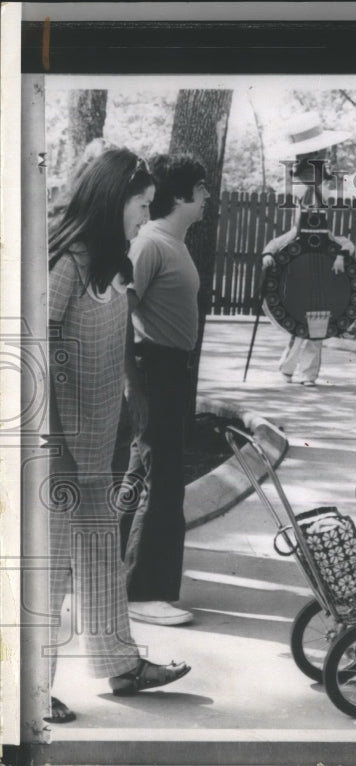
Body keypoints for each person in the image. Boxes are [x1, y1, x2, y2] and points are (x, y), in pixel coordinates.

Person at [47, 148, 191, 723]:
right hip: (54, 449)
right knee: (47, 566)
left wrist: (137, 396)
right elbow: (35, 350)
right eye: (140, 204)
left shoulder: (112, 261)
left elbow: (121, 335)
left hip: (94, 441)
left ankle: (120, 664)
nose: (145, 215)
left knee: (102, 555)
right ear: (114, 200)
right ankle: (25, 688)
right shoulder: (64, 263)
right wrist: (51, 442)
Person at [118, 153, 210, 626]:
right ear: (180, 195)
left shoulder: (174, 241)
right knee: (165, 478)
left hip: (171, 369)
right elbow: (122, 308)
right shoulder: (151, 244)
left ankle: (120, 574)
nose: (206, 196)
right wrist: (134, 381)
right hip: (154, 368)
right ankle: (144, 594)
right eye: (200, 188)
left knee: (142, 475)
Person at [261, 112, 355, 386]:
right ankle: (292, 368)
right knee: (305, 313)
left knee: (319, 316)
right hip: (302, 258)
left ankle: (307, 372)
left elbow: (328, 231)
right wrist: (270, 249)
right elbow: (296, 230)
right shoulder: (301, 185)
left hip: (322, 255)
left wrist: (340, 251)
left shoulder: (324, 182)